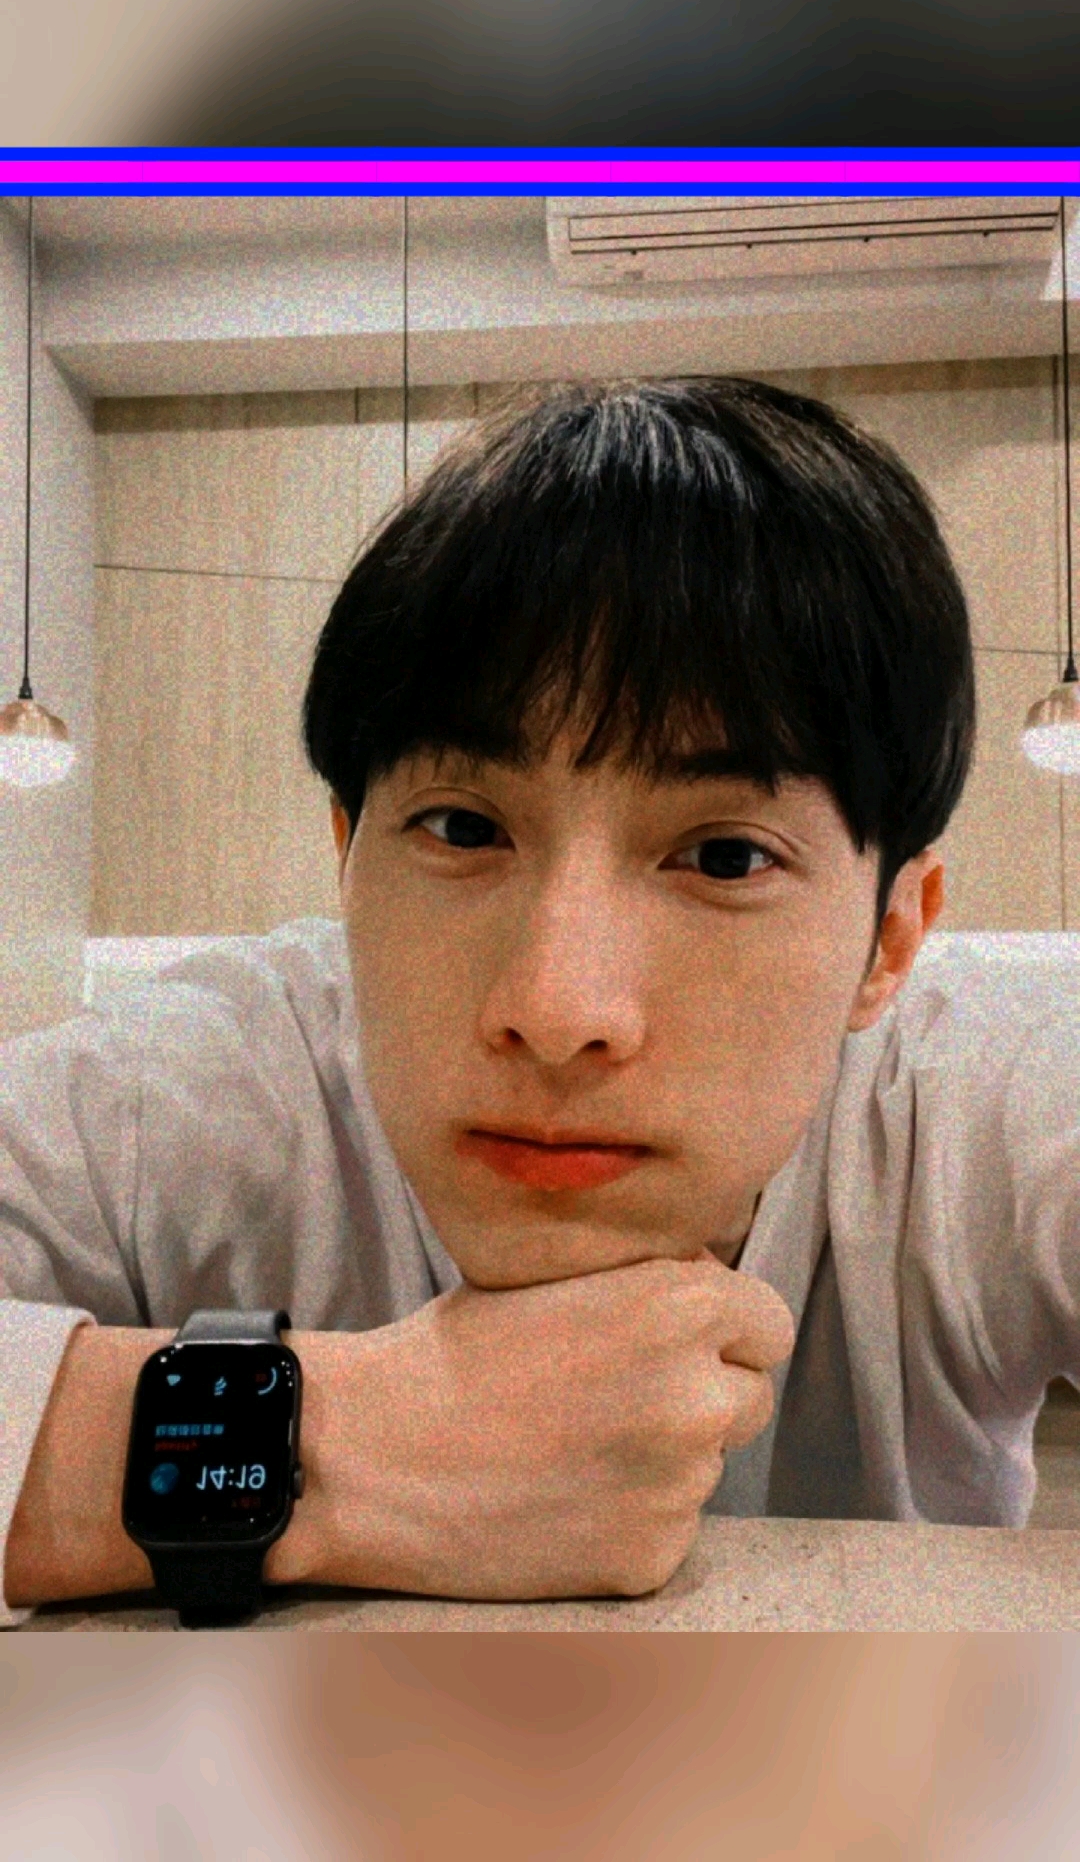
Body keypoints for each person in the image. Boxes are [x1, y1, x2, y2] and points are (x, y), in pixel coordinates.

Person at [1, 376, 1076, 1628]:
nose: (558, 1010)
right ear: (347, 861)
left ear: (891, 940)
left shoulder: (984, 1108)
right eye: (463, 829)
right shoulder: (195, 1089)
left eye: (724, 856)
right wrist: (356, 1439)